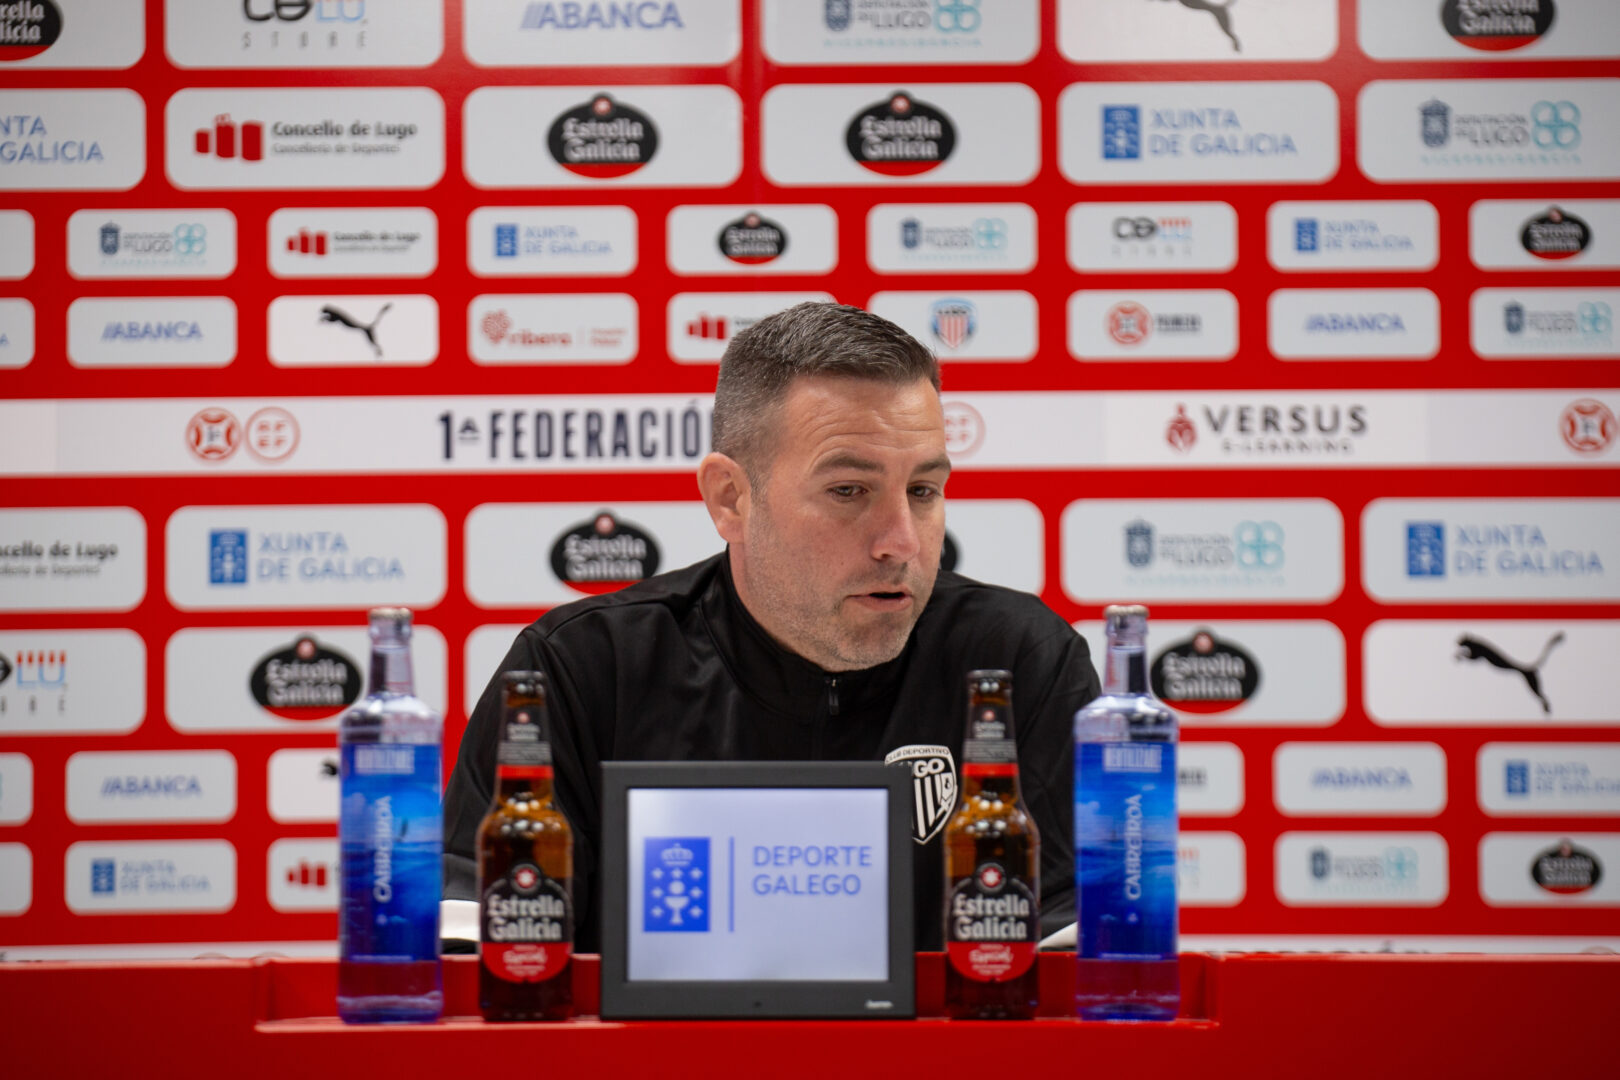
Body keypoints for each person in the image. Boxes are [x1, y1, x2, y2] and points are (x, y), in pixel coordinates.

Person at [443, 301, 1101, 950]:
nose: (901, 542)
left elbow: (1077, 964)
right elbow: (476, 958)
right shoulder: (579, 670)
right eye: (849, 491)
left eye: (923, 491)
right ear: (730, 498)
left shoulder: (1017, 664)